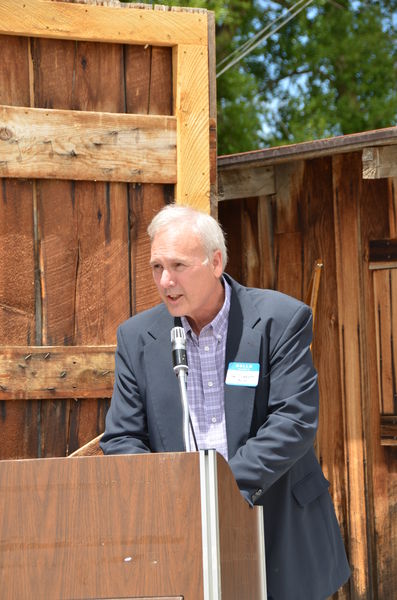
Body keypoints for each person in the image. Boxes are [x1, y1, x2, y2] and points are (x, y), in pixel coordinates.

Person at [100, 203, 350, 599]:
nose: (166, 281)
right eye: (156, 267)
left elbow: (294, 422)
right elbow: (122, 437)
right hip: (182, 538)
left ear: (216, 262)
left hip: (281, 530)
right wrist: (170, 499)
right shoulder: (137, 338)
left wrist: (216, 492)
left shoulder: (279, 320)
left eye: (179, 266)